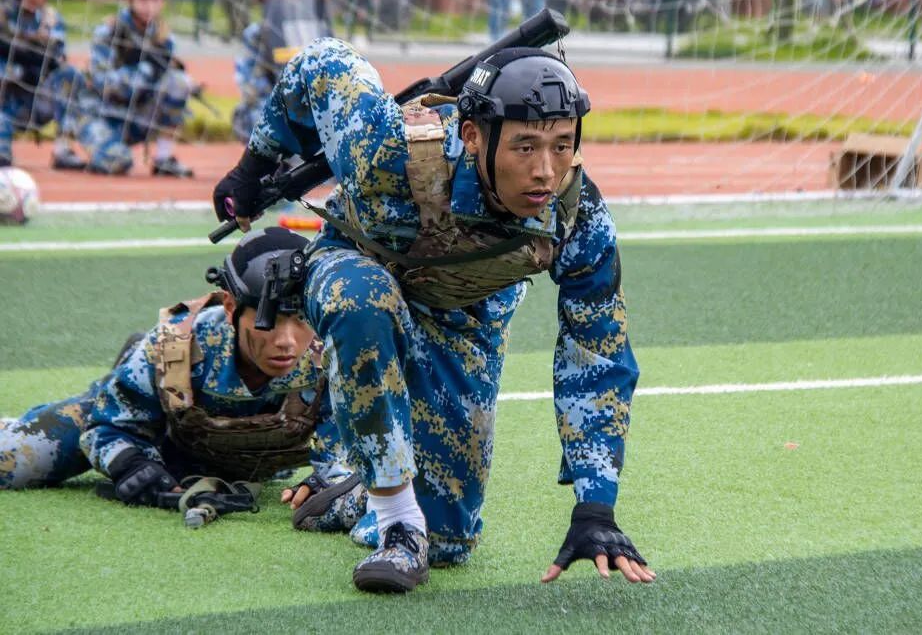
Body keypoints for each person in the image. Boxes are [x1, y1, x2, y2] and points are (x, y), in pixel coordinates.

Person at [212, 38, 655, 593]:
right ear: (473, 136)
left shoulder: (576, 215)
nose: (545, 170)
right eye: (524, 146)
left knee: (447, 542)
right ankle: (397, 523)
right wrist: (252, 166)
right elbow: (322, 62)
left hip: (464, 315)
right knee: (362, 302)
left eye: (562, 145)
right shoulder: (386, 151)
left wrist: (595, 507)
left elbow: (598, 354)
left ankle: (356, 493)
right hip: (357, 267)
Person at [0, 228, 362, 527]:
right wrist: (133, 465)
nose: (287, 341)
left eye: (301, 319)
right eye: (269, 320)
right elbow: (106, 427)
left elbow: (352, 448)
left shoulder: (333, 355)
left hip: (230, 457)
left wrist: (330, 481)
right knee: (13, 461)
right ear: (231, 307)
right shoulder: (177, 346)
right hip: (146, 416)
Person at [77, 0, 197, 177]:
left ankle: (164, 159)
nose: (149, 6)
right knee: (117, 162)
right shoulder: (110, 31)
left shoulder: (163, 38)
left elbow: (167, 82)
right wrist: (144, 70)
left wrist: (186, 85)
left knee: (180, 82)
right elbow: (104, 83)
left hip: (136, 116)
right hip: (102, 115)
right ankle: (100, 149)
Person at [0, 0, 88, 169]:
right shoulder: (4, 16)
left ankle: (63, 150)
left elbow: (54, 58)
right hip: (6, 98)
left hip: (38, 97)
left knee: (71, 75)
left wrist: (18, 51)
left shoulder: (51, 19)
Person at [232, 0, 330, 143]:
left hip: (313, 104)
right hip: (274, 102)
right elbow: (248, 80)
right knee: (256, 116)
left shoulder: (317, 32)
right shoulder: (256, 34)